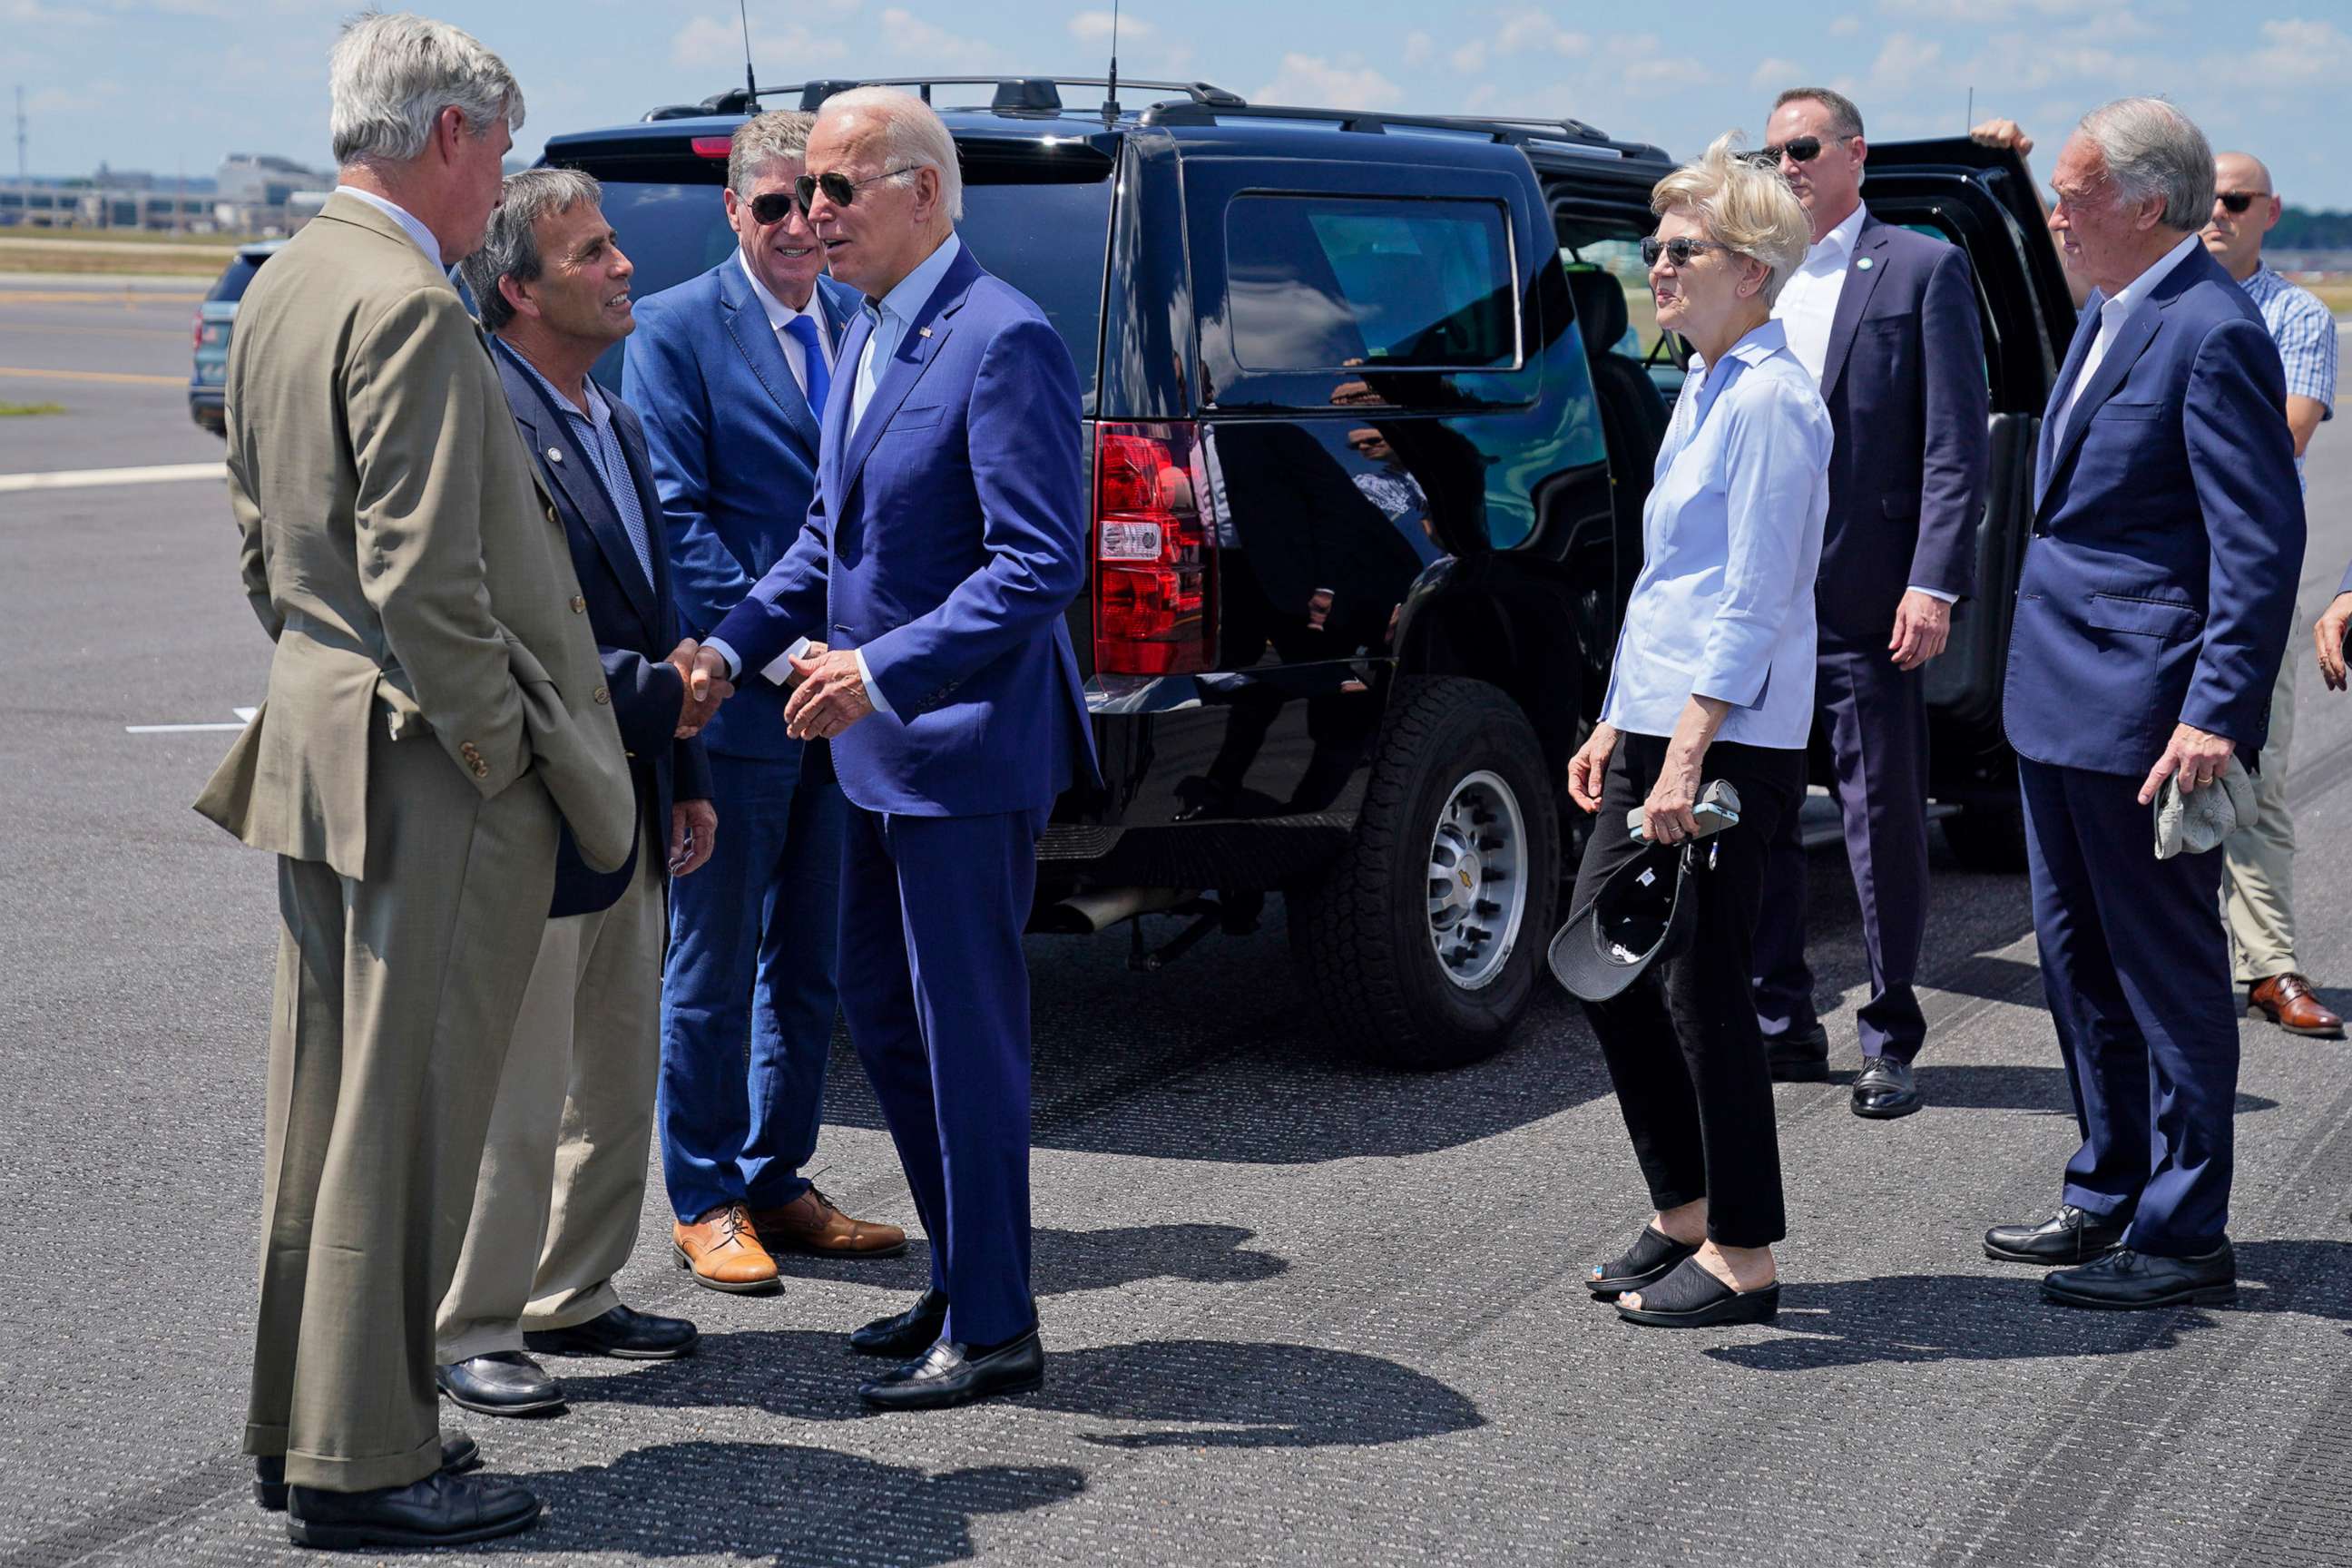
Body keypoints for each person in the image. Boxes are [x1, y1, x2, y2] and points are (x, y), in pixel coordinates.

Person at [191, 13, 633, 1550]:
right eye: (499, 146)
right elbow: (434, 581)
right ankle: (372, 1457)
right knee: (408, 1120)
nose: (501, 175)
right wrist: (501, 751)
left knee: (322, 1118)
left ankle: (302, 1426)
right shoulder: (412, 307)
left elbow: (266, 540)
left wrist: (330, 667)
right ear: (446, 133)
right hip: (428, 770)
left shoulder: (282, 284)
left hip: (322, 737)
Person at [686, 87, 1099, 1406]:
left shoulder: (1004, 337)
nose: (814, 216)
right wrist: (731, 648)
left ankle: (995, 1325)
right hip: (869, 757)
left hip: (962, 757)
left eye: (838, 191)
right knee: (885, 1020)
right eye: (803, 193)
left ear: (923, 191)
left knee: (964, 1038)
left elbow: (1038, 565)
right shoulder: (868, 333)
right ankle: (956, 1280)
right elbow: (826, 542)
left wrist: (878, 668)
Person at [1983, 99, 2302, 1310]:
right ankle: (2108, 1187)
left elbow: (2256, 547)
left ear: (2146, 203)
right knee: (2081, 967)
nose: (2056, 213)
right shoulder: (2115, 314)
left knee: (2165, 973)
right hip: (2057, 703)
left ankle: (2183, 1231)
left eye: (2073, 194)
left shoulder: (2211, 331)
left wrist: (2216, 711)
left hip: (2145, 714)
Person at [432, 170, 714, 1417]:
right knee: (520, 1083)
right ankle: (475, 1321)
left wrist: (685, 768)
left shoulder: (612, 414)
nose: (623, 266)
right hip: (537, 796)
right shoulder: (485, 413)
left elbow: (651, 605)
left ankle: (576, 1290)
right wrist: (650, 693)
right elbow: (495, 625)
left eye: (614, 246)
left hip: (635, 788)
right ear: (518, 290)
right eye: (591, 253)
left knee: (614, 1064)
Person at [623, 111, 904, 1293]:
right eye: (776, 204)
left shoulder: (863, 322)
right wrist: (784, 658)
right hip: (744, 705)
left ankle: (778, 1176)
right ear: (735, 212)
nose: (801, 224)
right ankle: (704, 1195)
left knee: (812, 965)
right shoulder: (679, 330)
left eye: (820, 199)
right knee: (716, 961)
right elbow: (679, 519)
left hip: (849, 706)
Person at [1562, 133, 1827, 1328]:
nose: (1654, 269)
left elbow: (1754, 598)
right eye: (1653, 251)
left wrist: (1682, 750)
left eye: (1682, 252)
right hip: (1657, 727)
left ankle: (1744, 1253)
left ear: (1754, 271)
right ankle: (1682, 1206)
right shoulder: (1705, 383)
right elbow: (1671, 582)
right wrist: (1615, 723)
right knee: (1600, 968)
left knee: (1697, 986)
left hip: (1726, 743)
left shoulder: (1775, 400)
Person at [1745, 88, 1989, 1118]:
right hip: (1764, 597)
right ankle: (1779, 1023)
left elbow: (1954, 443)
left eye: (1802, 148)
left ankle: (1890, 1035)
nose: (1786, 165)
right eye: (1772, 152)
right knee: (1750, 817)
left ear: (1853, 154)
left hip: (1868, 593)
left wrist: (1933, 581)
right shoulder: (1752, 272)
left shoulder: (1921, 265)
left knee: (1878, 816)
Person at [2200, 151, 2341, 1040]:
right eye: (2203, 197)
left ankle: (2269, 965)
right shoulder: (2144, 297)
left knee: (2256, 769)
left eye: (2235, 199)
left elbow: (2280, 437)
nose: (2215, 211)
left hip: (2249, 572)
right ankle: (2163, 959)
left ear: (2270, 213)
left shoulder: (2295, 314)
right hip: (2158, 571)